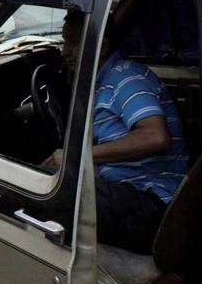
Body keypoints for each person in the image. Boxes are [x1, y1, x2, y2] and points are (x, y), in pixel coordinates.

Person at [47, 17, 188, 254]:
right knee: (42, 180)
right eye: (64, 41)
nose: (64, 51)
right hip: (128, 195)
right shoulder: (102, 83)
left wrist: (79, 156)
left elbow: (156, 136)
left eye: (72, 41)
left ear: (100, 46)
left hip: (150, 205)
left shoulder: (126, 78)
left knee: (43, 191)